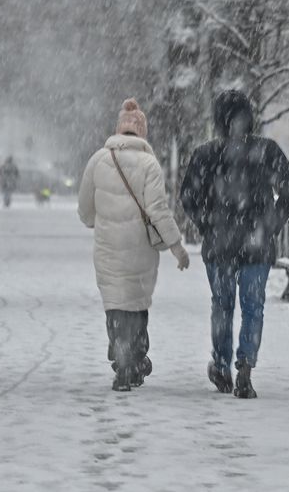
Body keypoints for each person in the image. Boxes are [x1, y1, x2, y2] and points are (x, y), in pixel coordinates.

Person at [180, 89, 289, 398]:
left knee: (222, 306)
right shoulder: (266, 151)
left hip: (220, 244)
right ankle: (245, 365)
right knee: (253, 307)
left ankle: (221, 364)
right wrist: (269, 224)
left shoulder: (206, 155)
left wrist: (208, 224)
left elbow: (188, 197)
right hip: (256, 244)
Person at [79, 98, 191, 391]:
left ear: (118, 129)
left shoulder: (98, 160)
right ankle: (136, 357)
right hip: (140, 249)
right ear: (141, 132)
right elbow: (158, 210)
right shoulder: (149, 163)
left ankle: (121, 356)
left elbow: (85, 210)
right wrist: (177, 247)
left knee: (115, 304)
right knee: (137, 305)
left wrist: (98, 221)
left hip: (107, 249)